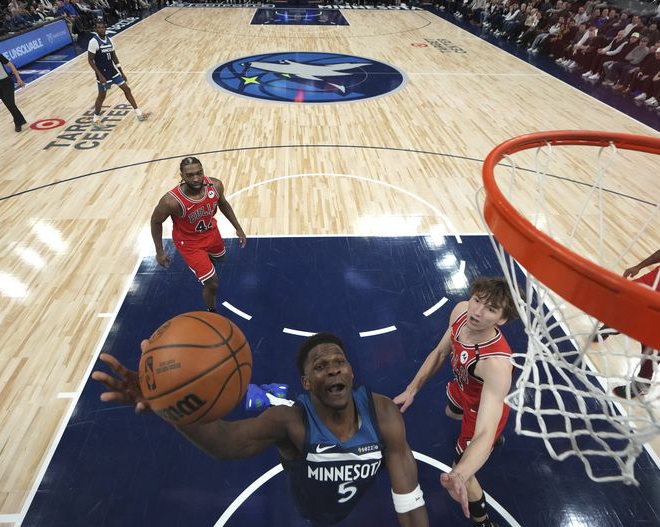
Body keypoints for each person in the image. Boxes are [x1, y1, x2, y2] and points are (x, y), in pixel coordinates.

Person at [91, 332, 430, 527]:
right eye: (320, 366)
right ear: (307, 383)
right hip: (307, 513)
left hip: (355, 506)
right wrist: (166, 402)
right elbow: (225, 442)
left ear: (352, 374)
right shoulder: (289, 421)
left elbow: (410, 500)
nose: (332, 370)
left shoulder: (382, 413)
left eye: (339, 362)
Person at [393, 277, 518, 527]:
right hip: (463, 385)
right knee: (451, 413)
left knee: (467, 471)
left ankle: (483, 521)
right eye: (477, 300)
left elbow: (484, 430)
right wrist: (412, 388)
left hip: (480, 410)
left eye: (491, 309)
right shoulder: (461, 311)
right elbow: (440, 352)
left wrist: (460, 474)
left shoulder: (495, 364)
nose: (478, 312)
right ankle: (488, 445)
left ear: (502, 319)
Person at [150, 156, 246, 312]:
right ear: (182, 176)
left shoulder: (215, 185)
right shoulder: (171, 201)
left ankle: (205, 265)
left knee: (221, 258)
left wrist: (238, 227)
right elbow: (155, 222)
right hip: (189, 243)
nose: (196, 178)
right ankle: (211, 310)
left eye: (199, 173)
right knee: (212, 283)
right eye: (190, 175)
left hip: (211, 232)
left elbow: (223, 204)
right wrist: (159, 251)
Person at [600, 249, 659, 398]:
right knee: (623, 297)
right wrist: (639, 266)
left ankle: (642, 383)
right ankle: (614, 325)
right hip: (656, 278)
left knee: (652, 340)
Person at [87, 20, 146, 127]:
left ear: (105, 28)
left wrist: (121, 72)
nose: (101, 29)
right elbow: (90, 60)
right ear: (96, 30)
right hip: (102, 73)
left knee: (127, 89)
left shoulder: (110, 40)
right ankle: (95, 119)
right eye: (99, 28)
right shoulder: (93, 42)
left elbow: (114, 56)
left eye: (103, 27)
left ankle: (139, 113)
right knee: (101, 96)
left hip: (112, 71)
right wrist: (100, 75)